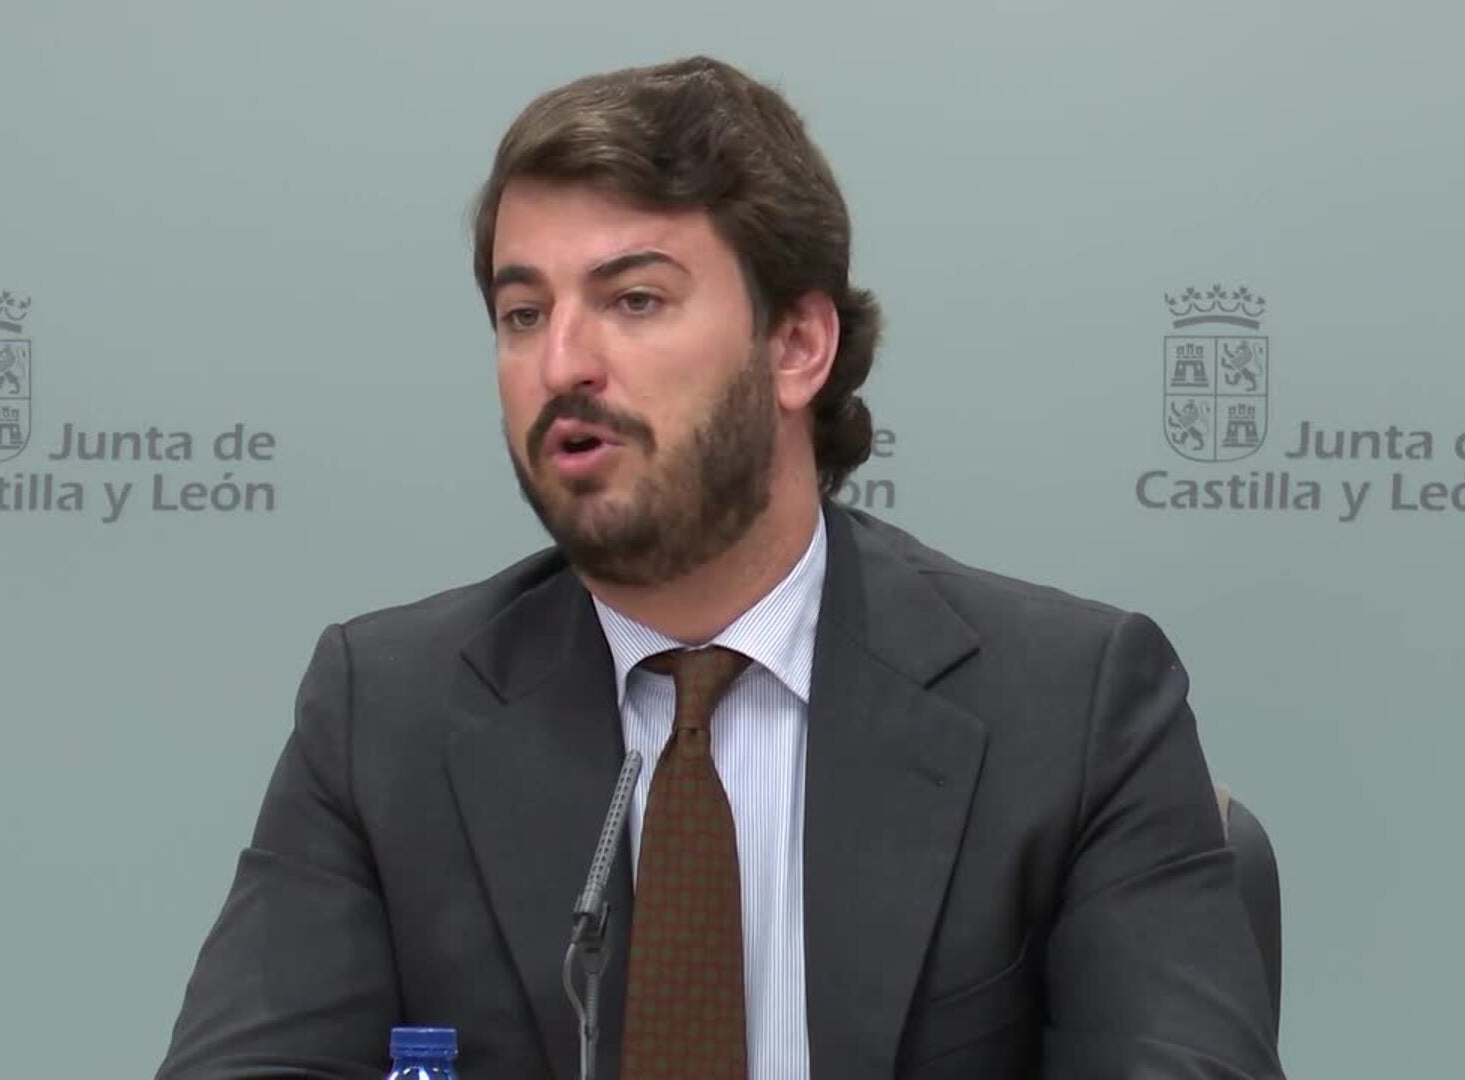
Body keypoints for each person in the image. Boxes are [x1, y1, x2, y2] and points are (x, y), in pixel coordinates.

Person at [156, 55, 1284, 1080]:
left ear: (797, 345)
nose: (562, 362)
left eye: (634, 300)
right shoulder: (385, 715)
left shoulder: (1073, 710)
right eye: (522, 312)